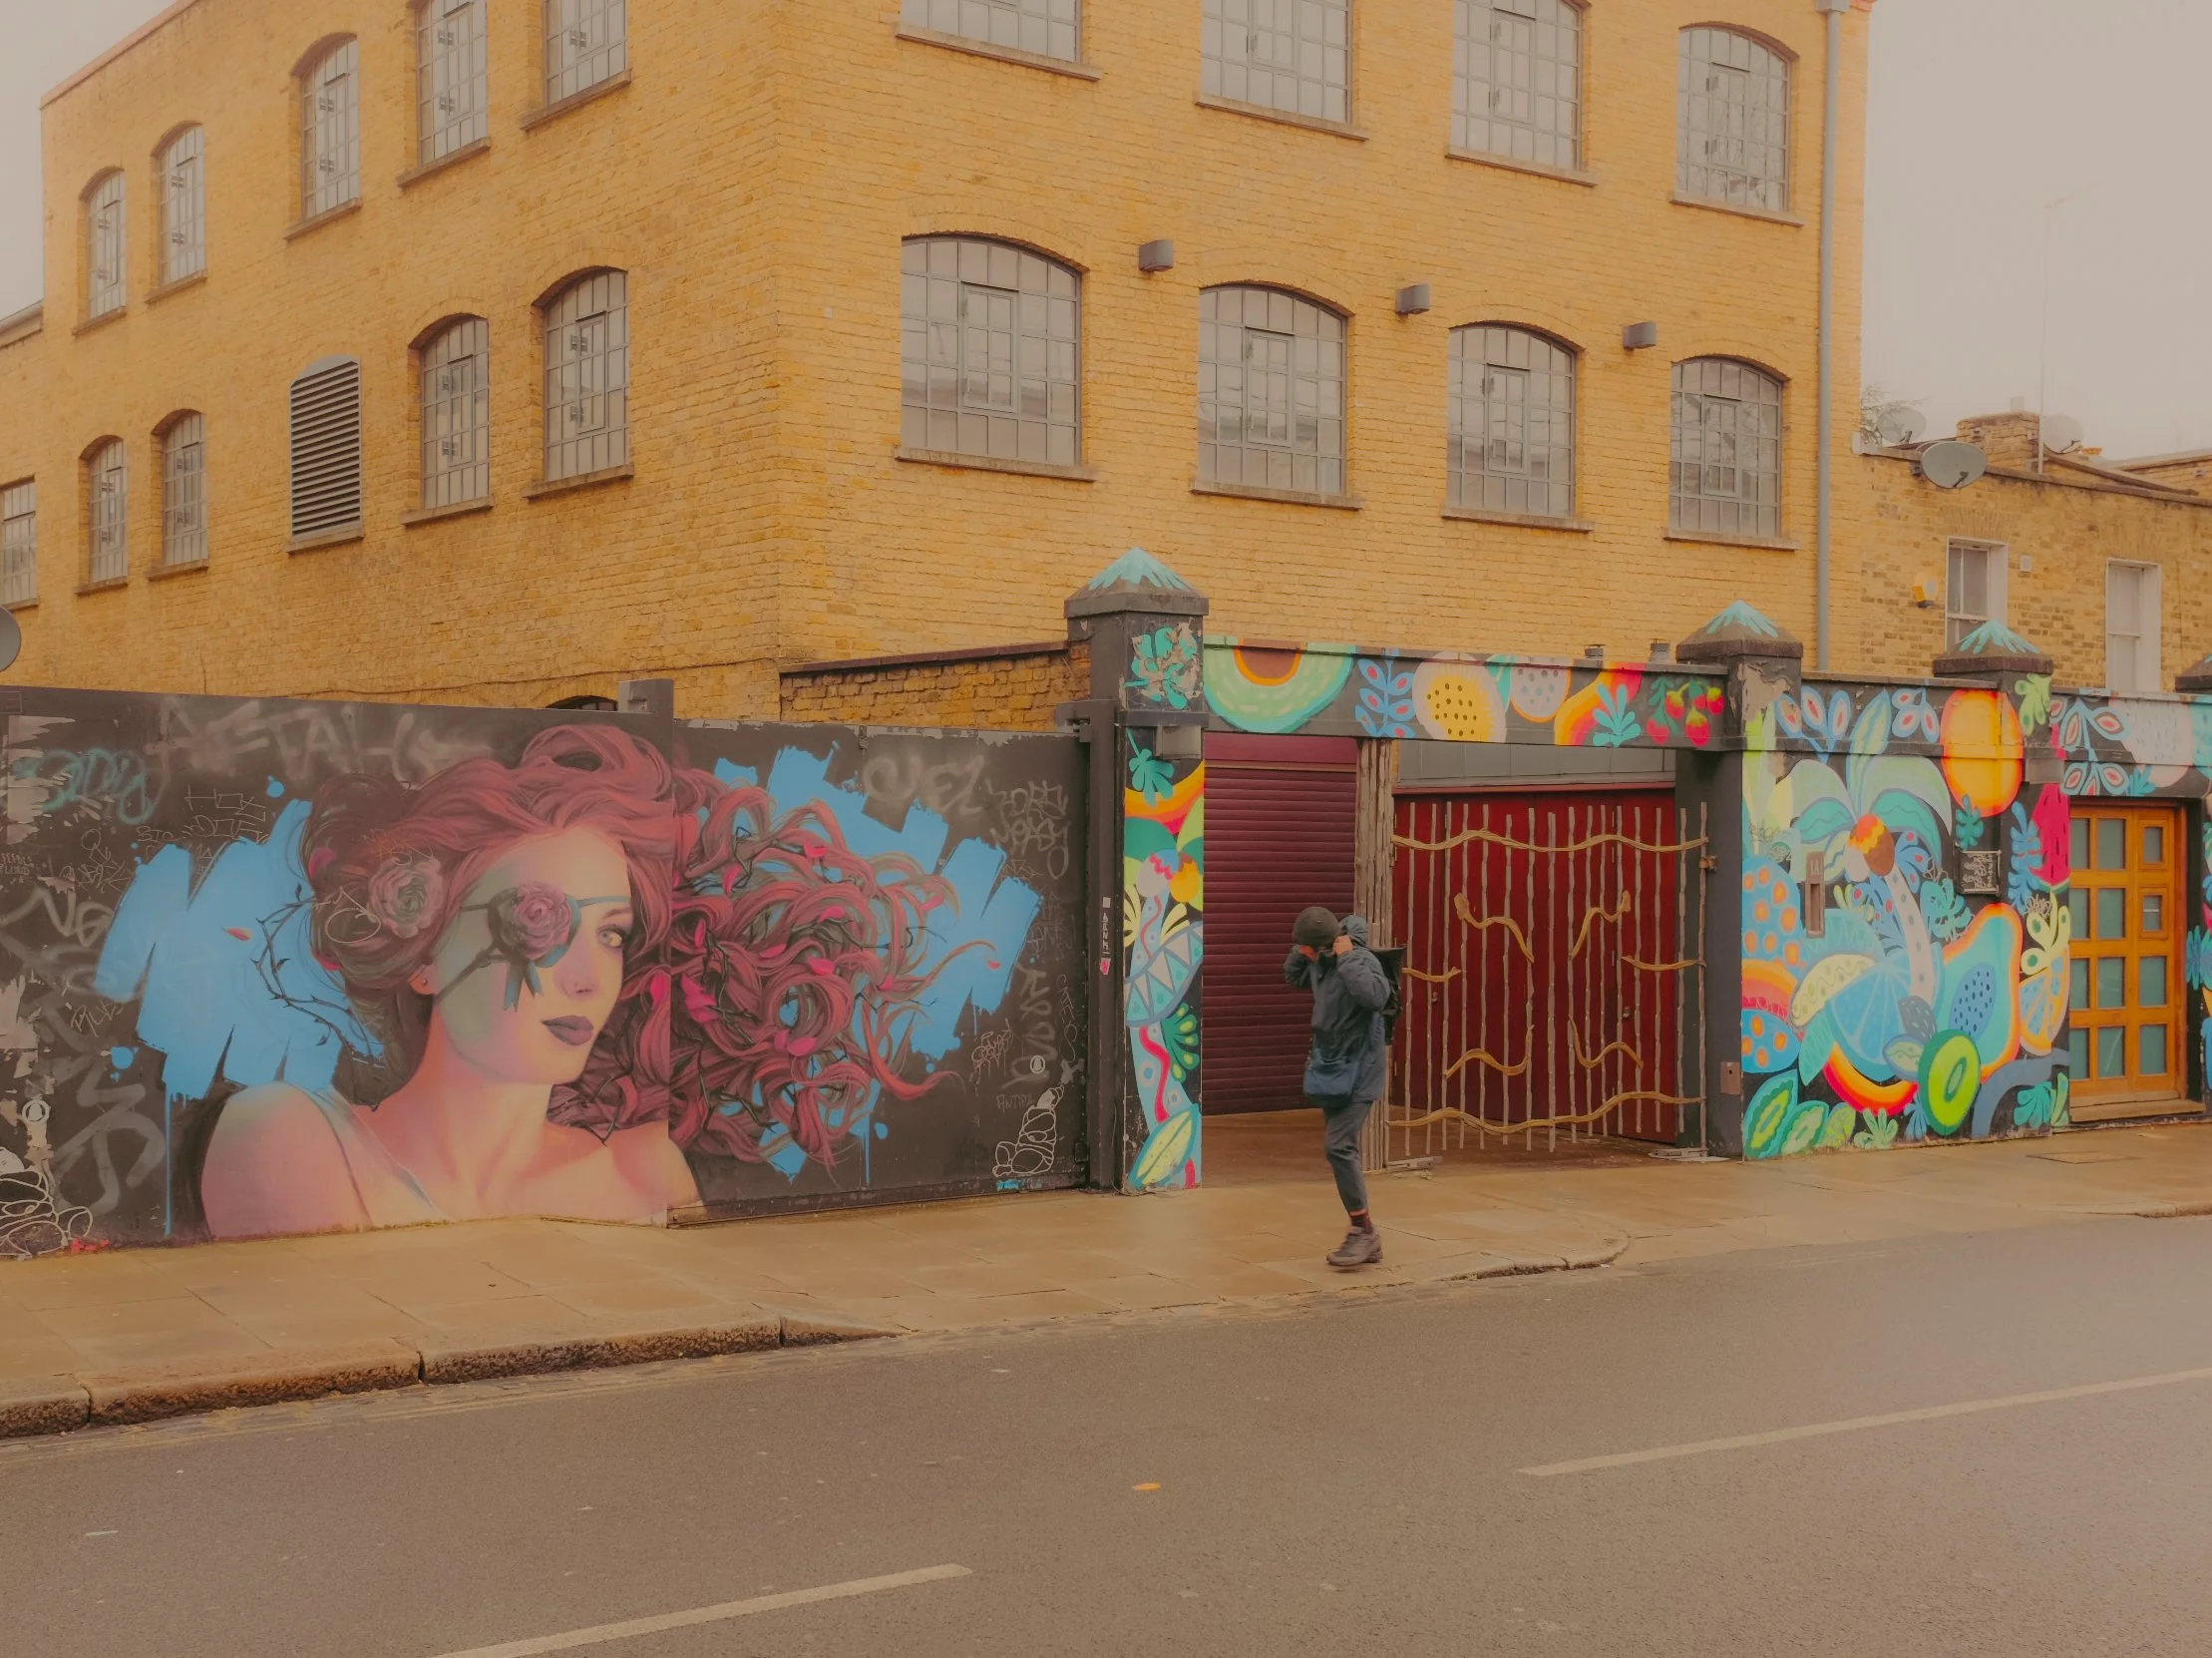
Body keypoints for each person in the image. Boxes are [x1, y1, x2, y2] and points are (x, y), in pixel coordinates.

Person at [200, 725, 955, 1239]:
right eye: (543, 920)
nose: (591, 978)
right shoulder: (291, 1137)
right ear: (422, 952)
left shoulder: (640, 1173)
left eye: (611, 934)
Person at [1284, 905, 1391, 1269]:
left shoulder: (1358, 960)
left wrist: (1347, 961)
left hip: (1361, 1069)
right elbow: (1292, 978)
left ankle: (1363, 1232)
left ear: (1323, 946)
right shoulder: (1318, 961)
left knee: (1338, 1146)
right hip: (1331, 1067)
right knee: (1341, 1150)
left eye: (1305, 948)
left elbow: (1378, 997)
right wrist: (1302, 954)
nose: (1302, 953)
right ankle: (1366, 1235)